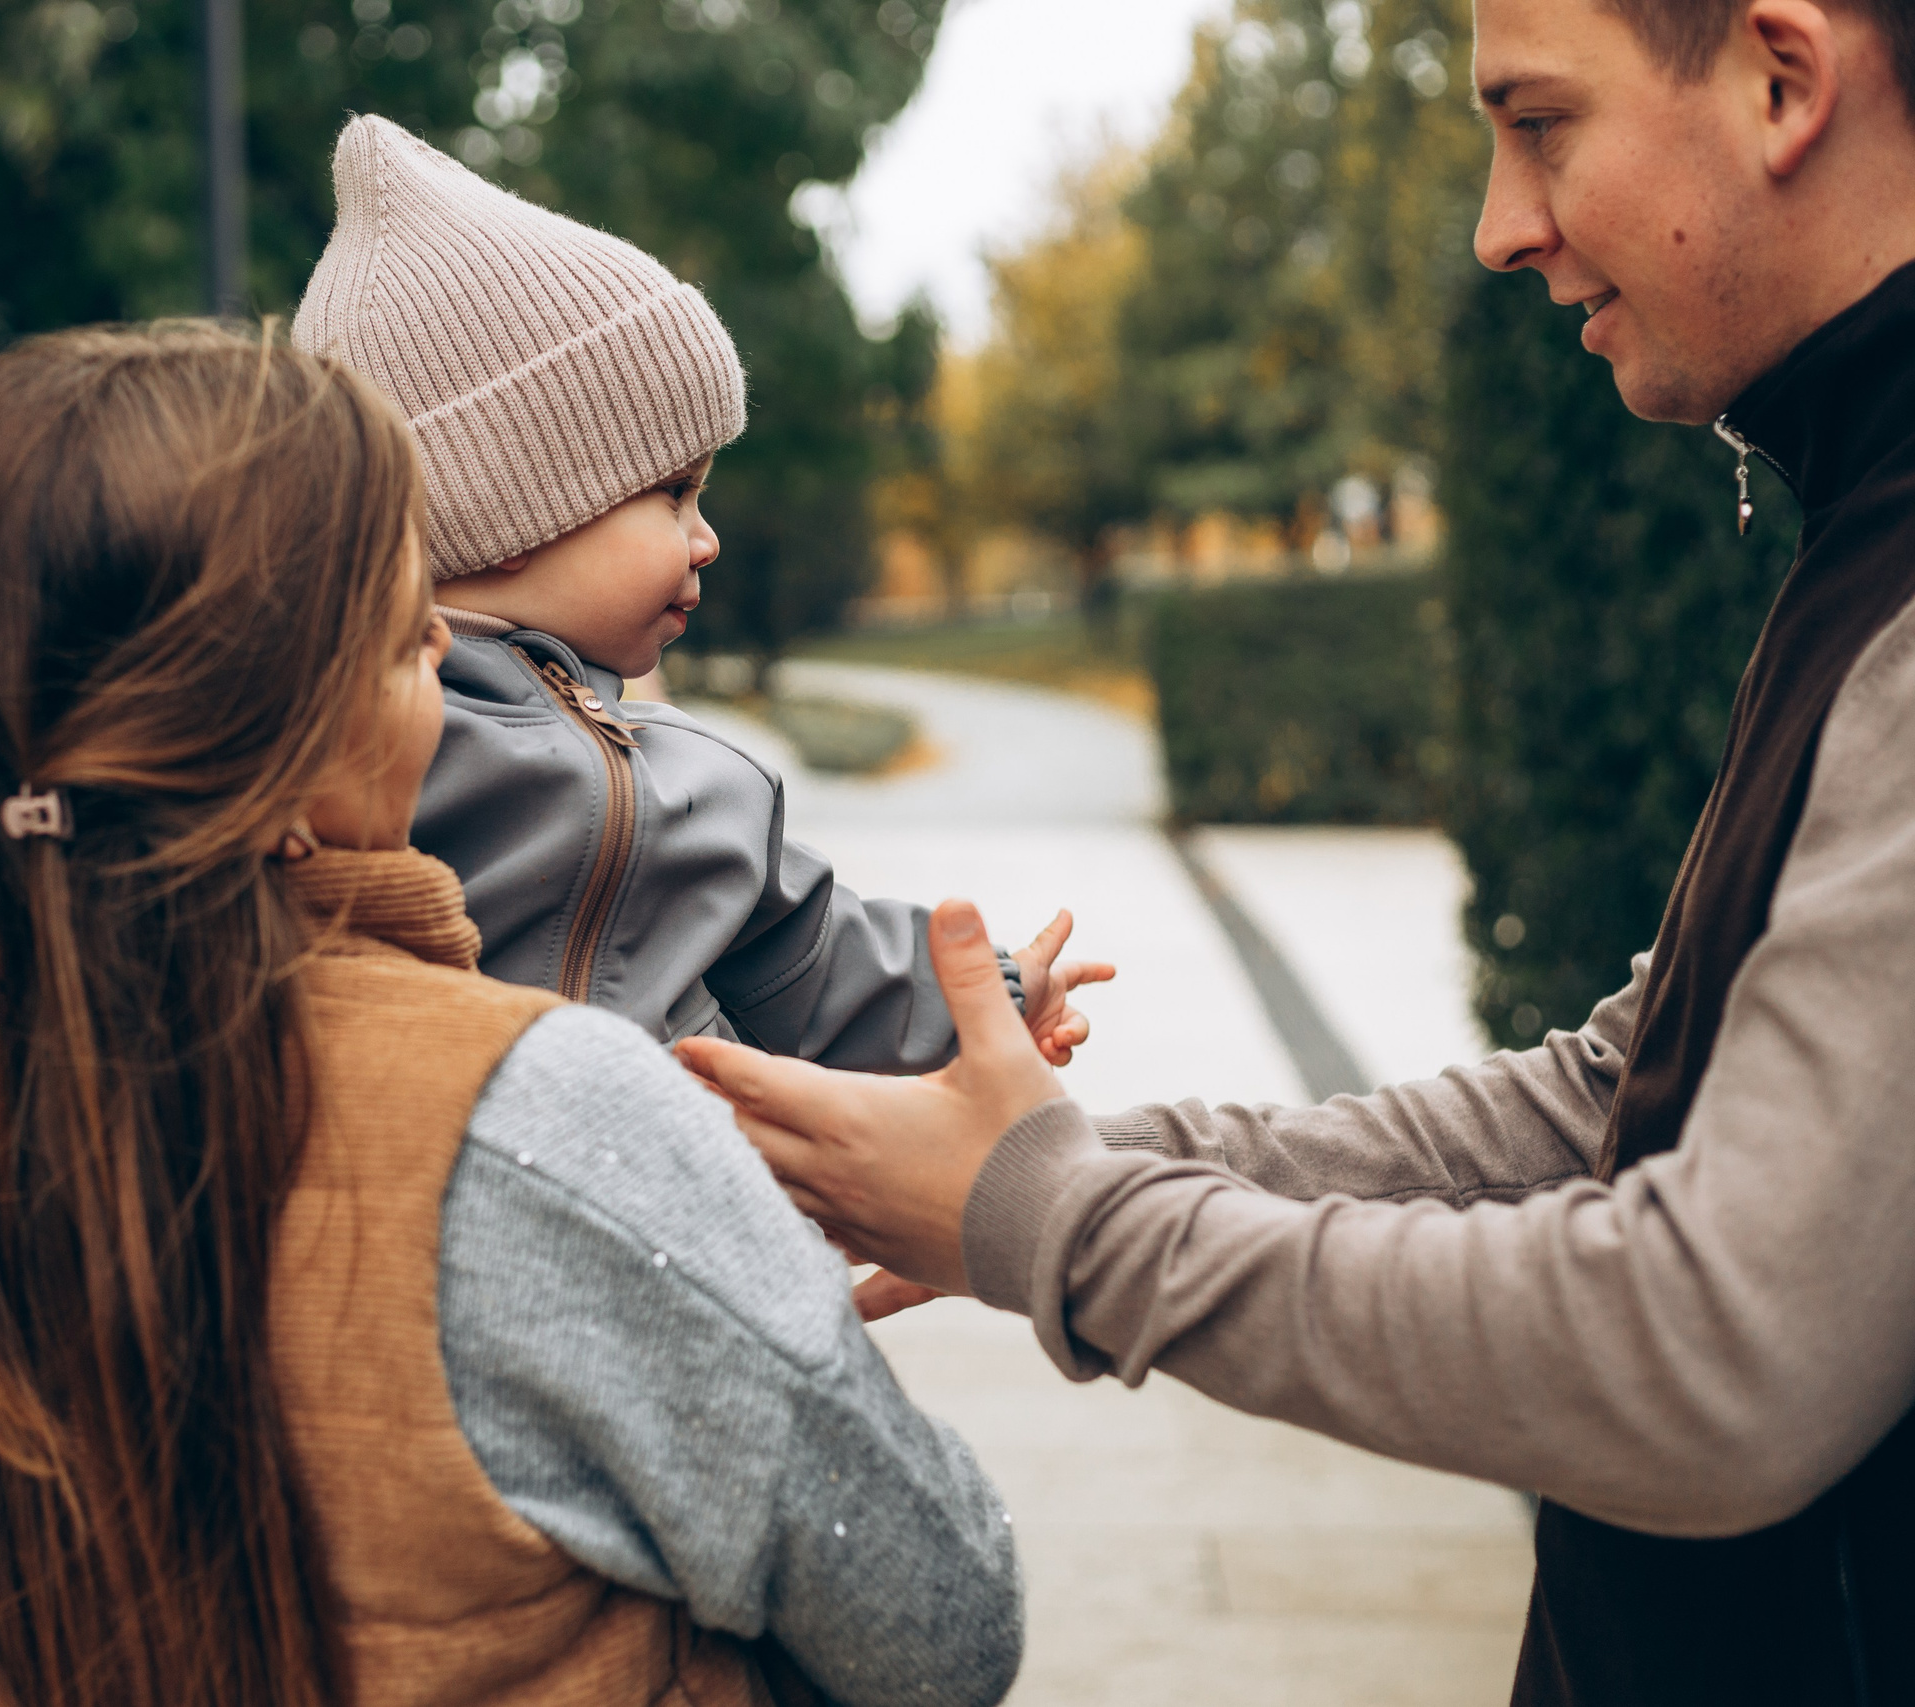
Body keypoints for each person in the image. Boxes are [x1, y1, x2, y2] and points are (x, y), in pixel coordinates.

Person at [678, 1, 1915, 1701]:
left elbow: (1716, 1349)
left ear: (1783, 79)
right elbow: (1617, 1100)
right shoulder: (1863, 524)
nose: (1500, 227)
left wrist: (1057, 1216)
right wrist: (1048, 1156)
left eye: (1539, 124)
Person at [0, 321, 1021, 1707]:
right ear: (281, 726)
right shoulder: (540, 1113)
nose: (454, 673)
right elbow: (945, 1626)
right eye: (413, 642)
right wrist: (762, 1313)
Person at [0, 116, 1109, 1093]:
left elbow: (809, 957)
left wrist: (982, 996)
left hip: (667, 1220)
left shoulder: (697, 782)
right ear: (514, 497)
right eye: (671, 492)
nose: (706, 538)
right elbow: (22, 780)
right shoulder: (325, 721)